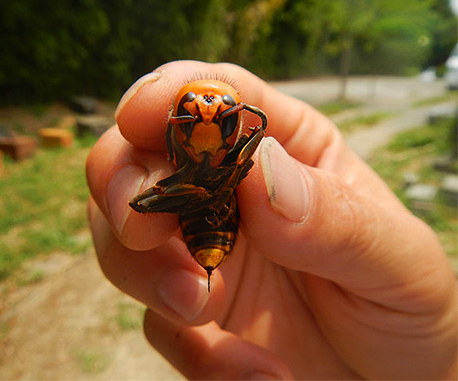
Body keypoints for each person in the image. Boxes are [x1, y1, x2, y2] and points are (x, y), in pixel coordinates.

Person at [86, 61, 457, 380]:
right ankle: (199, 193)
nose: (207, 110)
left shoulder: (248, 150)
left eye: (221, 108)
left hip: (218, 218)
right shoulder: (176, 152)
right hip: (200, 214)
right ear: (175, 125)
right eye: (193, 109)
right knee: (138, 202)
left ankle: (206, 193)